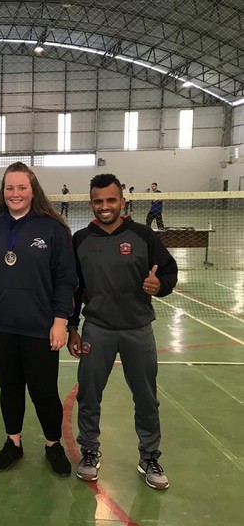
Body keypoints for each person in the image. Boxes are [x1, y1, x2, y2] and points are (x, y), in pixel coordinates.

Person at [68, 173, 177, 490]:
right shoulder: (80, 240)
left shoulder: (143, 236)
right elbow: (74, 289)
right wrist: (73, 327)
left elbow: (168, 271)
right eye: (98, 201)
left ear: (122, 202)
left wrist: (160, 285)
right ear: (91, 203)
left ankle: (149, 457)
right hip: (97, 330)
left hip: (137, 330)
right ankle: (89, 451)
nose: (105, 206)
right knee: (89, 395)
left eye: (111, 200)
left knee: (146, 398)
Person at [0, 162, 76, 476]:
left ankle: (53, 444)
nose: (15, 193)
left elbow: (65, 278)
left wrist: (60, 320)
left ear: (33, 191)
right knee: (9, 387)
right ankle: (14, 442)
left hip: (40, 326)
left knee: (44, 390)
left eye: (22, 187)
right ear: (3, 192)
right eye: (10, 188)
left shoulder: (53, 229)